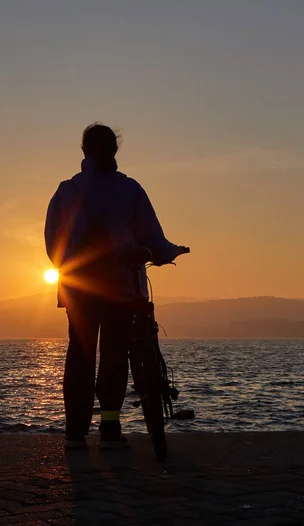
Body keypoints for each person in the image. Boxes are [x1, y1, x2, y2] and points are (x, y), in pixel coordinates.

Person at [44, 123, 189, 449]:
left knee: (80, 355)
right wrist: (171, 252)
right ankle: (109, 431)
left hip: (78, 290)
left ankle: (75, 434)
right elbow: (153, 240)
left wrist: (71, 265)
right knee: (114, 355)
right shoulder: (130, 190)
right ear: (115, 152)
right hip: (122, 289)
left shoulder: (67, 191)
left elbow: (53, 245)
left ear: (83, 151)